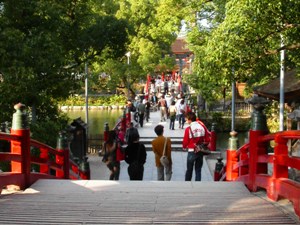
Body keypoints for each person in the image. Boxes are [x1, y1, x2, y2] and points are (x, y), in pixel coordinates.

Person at [182, 111, 210, 181]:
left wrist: (184, 146)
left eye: (186, 119)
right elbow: (207, 139)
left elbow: (185, 141)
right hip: (200, 150)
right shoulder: (202, 127)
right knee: (198, 169)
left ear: (189, 119)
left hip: (192, 150)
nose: (186, 120)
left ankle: (187, 183)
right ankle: (198, 184)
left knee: (189, 169)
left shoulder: (188, 129)